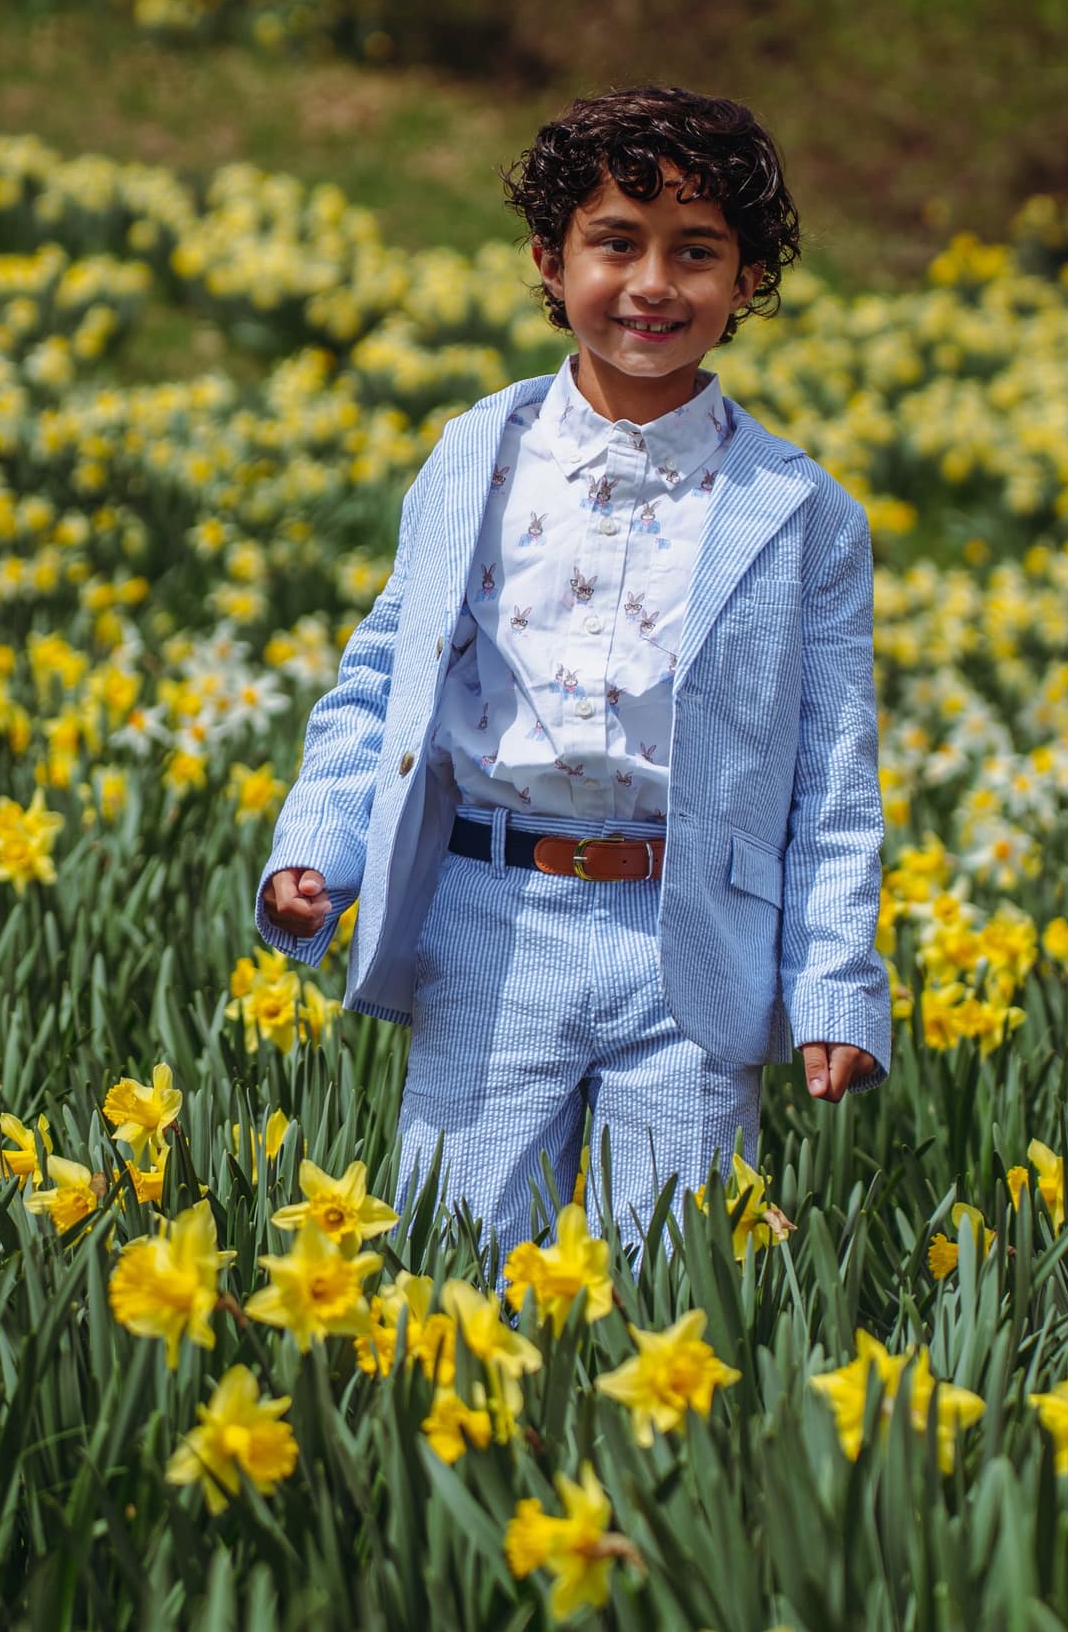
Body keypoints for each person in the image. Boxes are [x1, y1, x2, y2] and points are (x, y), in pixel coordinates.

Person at [253, 82, 888, 1247]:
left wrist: (834, 988)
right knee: (457, 1259)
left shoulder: (798, 512)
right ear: (549, 261)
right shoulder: (475, 456)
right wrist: (317, 848)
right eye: (615, 243)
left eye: (695, 252)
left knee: (673, 1283)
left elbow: (833, 781)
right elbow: (381, 680)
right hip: (491, 914)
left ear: (746, 282)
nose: (653, 283)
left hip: (690, 931)